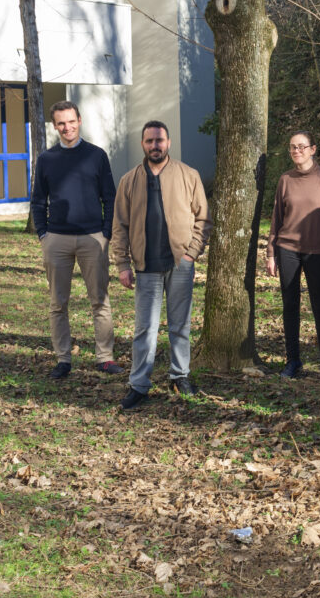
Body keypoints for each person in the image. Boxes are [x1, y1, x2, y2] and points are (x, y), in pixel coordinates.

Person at [112, 120, 212, 409]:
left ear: (168, 142)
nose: (155, 145)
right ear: (143, 144)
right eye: (149, 141)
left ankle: (179, 376)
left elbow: (203, 218)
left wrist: (191, 253)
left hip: (180, 264)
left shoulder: (188, 175)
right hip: (145, 266)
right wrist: (122, 264)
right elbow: (119, 226)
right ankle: (139, 384)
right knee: (145, 329)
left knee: (180, 326)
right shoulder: (129, 180)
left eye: (160, 140)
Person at [30, 100, 122, 379]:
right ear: (55, 125)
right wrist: (44, 234)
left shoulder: (96, 155)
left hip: (93, 238)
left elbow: (110, 197)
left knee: (100, 300)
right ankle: (63, 359)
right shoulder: (47, 159)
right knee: (58, 303)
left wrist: (106, 232)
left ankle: (104, 357)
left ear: (79, 120)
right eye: (61, 123)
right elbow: (37, 201)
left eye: (71, 121)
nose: (67, 127)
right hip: (56, 239)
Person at [265, 130, 320, 379]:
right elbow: (276, 218)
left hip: (318, 251)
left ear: (313, 149)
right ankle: (293, 361)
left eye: (301, 147)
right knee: (290, 305)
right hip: (287, 249)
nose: (296, 151)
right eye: (292, 148)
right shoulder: (285, 180)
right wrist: (270, 253)